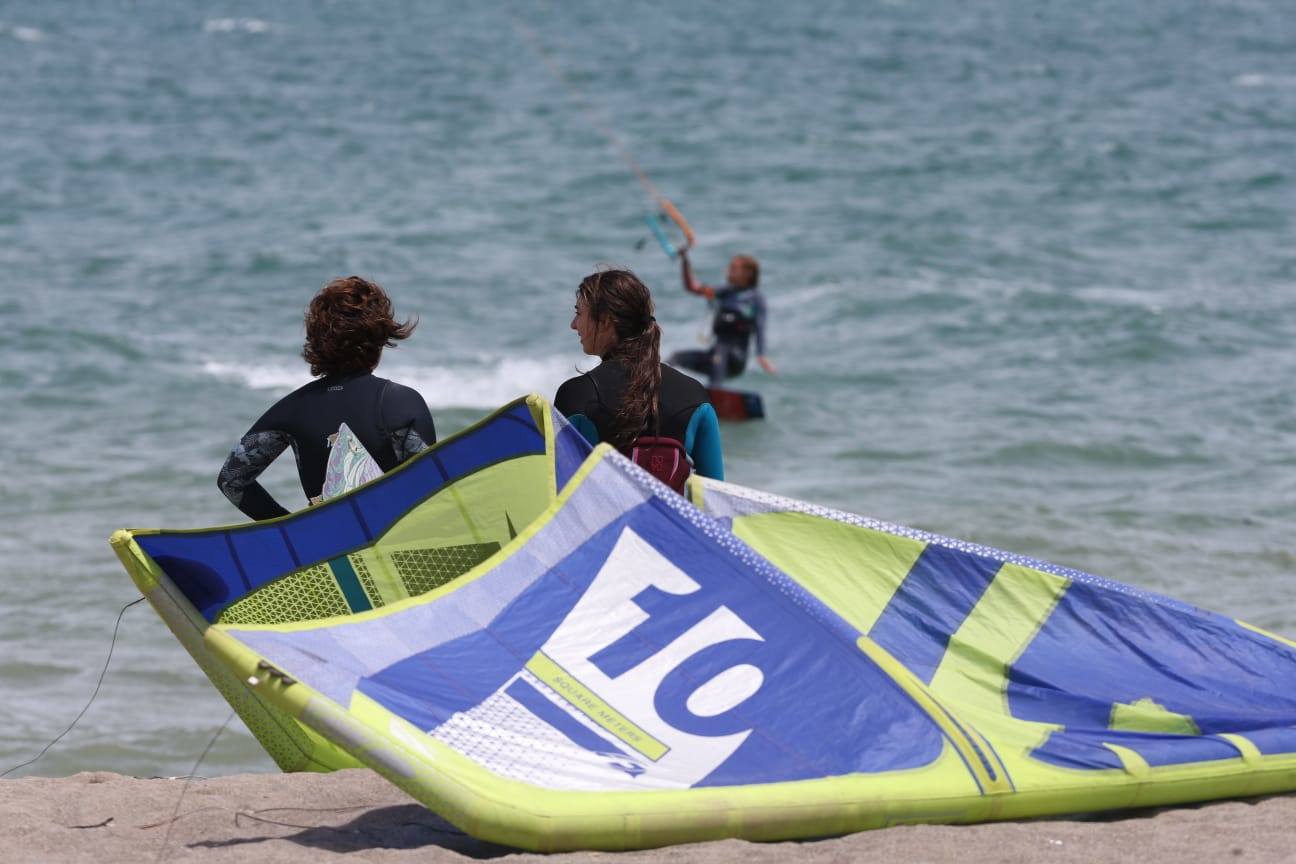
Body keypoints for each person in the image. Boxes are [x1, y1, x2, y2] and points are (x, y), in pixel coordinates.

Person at [217, 276, 436, 520]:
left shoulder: (292, 409)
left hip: (334, 553)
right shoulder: (401, 402)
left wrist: (294, 530)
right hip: (402, 549)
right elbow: (430, 490)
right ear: (379, 339)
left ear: (317, 342)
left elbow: (231, 480)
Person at [555, 268, 723, 488]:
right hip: (671, 523)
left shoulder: (576, 396)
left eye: (579, 313)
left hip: (606, 523)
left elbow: (561, 493)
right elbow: (717, 497)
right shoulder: (696, 395)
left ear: (605, 321)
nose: (573, 324)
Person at [668, 251, 777, 386]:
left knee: (720, 351)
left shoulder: (756, 299)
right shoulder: (725, 292)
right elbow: (692, 287)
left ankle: (715, 393)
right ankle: (662, 389)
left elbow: (760, 328)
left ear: (748, 274)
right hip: (716, 357)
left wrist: (762, 356)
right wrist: (685, 261)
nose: (728, 272)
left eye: (733, 269)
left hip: (735, 359)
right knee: (676, 358)